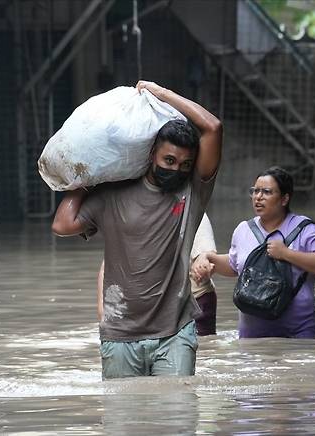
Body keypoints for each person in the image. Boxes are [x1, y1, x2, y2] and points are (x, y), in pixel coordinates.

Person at [52, 80, 222, 379]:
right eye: (169, 160)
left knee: (178, 420)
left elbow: (213, 127)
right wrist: (88, 174)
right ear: (151, 153)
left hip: (175, 332)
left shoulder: (191, 191)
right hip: (120, 333)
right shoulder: (111, 195)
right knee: (125, 421)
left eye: (185, 164)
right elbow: (62, 225)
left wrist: (164, 94)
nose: (176, 169)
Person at [191, 166, 315, 339]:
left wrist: (286, 254)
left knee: (300, 366)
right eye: (255, 191)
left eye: (266, 192)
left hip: (298, 334)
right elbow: (234, 265)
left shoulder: (307, 230)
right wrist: (207, 259)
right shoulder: (244, 229)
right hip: (251, 336)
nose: (258, 197)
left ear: (284, 199)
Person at [96, 213, 219, 336]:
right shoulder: (130, 211)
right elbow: (109, 265)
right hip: (142, 305)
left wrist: (203, 265)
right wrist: (105, 311)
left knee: (200, 349)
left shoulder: (191, 208)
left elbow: (207, 256)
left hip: (191, 300)